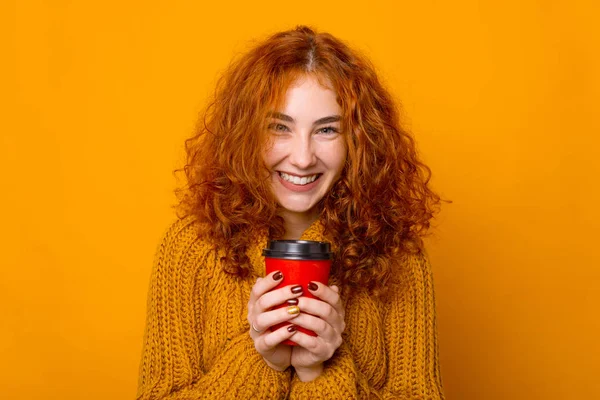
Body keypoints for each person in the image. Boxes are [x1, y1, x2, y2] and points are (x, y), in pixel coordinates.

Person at [136, 25, 446, 399]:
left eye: (327, 130)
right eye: (280, 128)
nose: (302, 158)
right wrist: (263, 358)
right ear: (245, 133)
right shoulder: (190, 248)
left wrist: (320, 370)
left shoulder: (396, 255)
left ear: (359, 141)